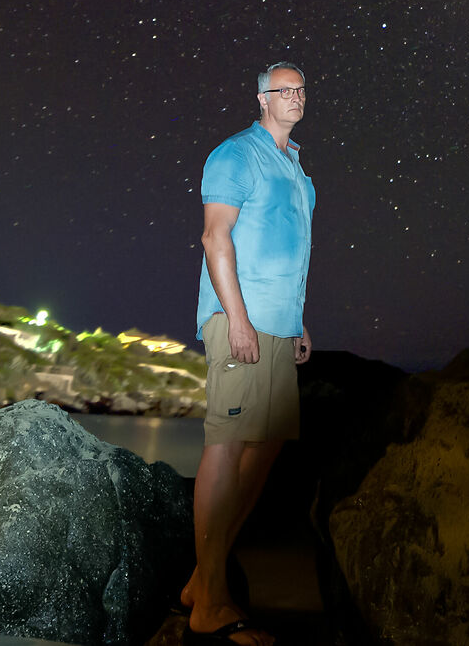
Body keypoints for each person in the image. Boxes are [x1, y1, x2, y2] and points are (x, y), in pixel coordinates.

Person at [182, 61, 315, 646]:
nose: (295, 97)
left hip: (280, 327)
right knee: (228, 444)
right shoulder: (235, 155)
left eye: (301, 89)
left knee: (265, 448)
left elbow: (288, 248)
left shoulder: (298, 168)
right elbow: (216, 237)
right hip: (240, 322)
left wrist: (297, 323)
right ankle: (209, 602)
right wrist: (237, 318)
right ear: (262, 99)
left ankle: (200, 579)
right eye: (284, 90)